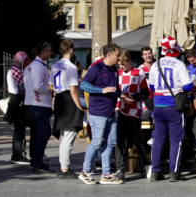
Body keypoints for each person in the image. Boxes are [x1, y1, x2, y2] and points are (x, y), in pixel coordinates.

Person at [149, 36, 193, 182]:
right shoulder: (179, 64)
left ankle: (155, 171)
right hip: (174, 106)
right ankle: (174, 172)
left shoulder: (155, 65)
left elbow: (152, 87)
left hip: (158, 105)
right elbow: (187, 87)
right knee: (176, 139)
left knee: (158, 139)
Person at [79, 43, 122, 185]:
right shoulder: (96, 68)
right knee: (97, 142)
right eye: (117, 54)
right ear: (109, 55)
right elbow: (83, 84)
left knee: (111, 142)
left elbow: (115, 88)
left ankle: (106, 174)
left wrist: (122, 96)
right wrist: (100, 90)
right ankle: (85, 172)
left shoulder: (115, 70)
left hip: (111, 112)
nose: (119, 57)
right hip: (98, 112)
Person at [113, 50, 151, 180]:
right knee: (120, 140)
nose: (121, 67)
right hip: (120, 109)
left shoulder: (138, 73)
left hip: (135, 111)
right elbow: (113, 91)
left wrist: (133, 97)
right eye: (119, 64)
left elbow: (146, 94)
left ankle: (147, 164)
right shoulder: (116, 74)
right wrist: (120, 96)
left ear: (129, 61)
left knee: (136, 139)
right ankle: (120, 169)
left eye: (123, 64)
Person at [48, 39, 83, 179]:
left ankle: (63, 166)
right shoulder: (71, 67)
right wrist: (79, 107)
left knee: (64, 135)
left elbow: (50, 86)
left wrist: (58, 89)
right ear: (71, 50)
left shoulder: (55, 65)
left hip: (59, 99)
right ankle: (64, 169)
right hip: (69, 100)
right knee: (68, 135)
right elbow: (74, 89)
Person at [24, 41, 54, 174]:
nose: (51, 53)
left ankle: (36, 161)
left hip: (38, 103)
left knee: (41, 133)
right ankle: (36, 163)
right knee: (43, 133)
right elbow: (37, 86)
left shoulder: (36, 65)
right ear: (43, 52)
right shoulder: (37, 66)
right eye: (49, 50)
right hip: (40, 104)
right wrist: (51, 89)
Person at [4, 51, 30, 164]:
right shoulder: (16, 71)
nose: (27, 62)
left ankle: (18, 153)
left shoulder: (13, 70)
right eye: (25, 60)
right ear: (21, 60)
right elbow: (23, 88)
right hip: (18, 103)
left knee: (19, 129)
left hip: (16, 102)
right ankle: (17, 154)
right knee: (19, 129)